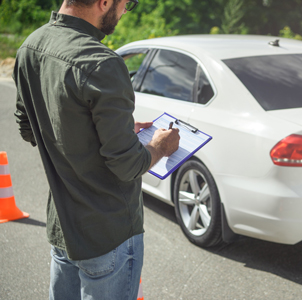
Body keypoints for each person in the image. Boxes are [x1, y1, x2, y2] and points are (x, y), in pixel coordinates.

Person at [13, 0, 180, 299]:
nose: (126, 10)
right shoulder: (102, 63)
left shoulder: (31, 46)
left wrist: (108, 131)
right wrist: (160, 146)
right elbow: (128, 165)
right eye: (127, 3)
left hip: (62, 225)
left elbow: (30, 128)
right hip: (107, 233)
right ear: (104, 2)